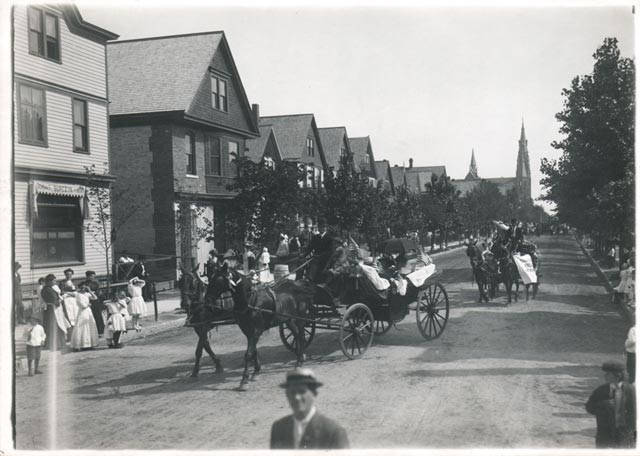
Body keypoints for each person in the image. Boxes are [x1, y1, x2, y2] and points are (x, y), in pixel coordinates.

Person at [270, 368, 349, 449]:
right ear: (287, 395)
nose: (296, 397)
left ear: (314, 393)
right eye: (292, 392)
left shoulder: (333, 431)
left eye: (302, 391)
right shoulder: (278, 428)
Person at [586, 361, 636, 448]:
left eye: (608, 374)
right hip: (604, 431)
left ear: (617, 375)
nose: (605, 376)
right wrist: (602, 406)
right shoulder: (600, 390)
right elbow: (589, 407)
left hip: (623, 432)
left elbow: (633, 412)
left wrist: (631, 431)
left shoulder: (629, 389)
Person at [41, 274, 71, 350]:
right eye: (54, 280)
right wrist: (62, 298)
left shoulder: (47, 289)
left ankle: (54, 344)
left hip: (51, 309)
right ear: (49, 281)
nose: (55, 282)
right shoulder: (48, 290)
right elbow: (55, 301)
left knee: (52, 327)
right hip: (53, 310)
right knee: (56, 326)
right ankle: (57, 344)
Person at [70, 285, 99, 350]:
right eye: (82, 288)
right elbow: (82, 305)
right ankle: (81, 344)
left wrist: (90, 291)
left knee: (90, 325)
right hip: (82, 311)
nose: (83, 289)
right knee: (81, 326)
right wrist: (87, 305)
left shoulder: (87, 294)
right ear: (79, 288)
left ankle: (90, 344)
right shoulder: (78, 295)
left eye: (84, 288)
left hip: (88, 312)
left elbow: (95, 298)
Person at [80, 271, 104, 336]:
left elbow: (99, 291)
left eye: (93, 276)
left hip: (95, 300)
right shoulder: (84, 283)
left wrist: (95, 293)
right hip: (87, 300)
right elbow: (81, 290)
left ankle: (100, 331)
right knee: (90, 315)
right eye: (91, 276)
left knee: (97, 315)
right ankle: (91, 331)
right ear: (87, 276)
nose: (92, 277)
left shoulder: (96, 283)